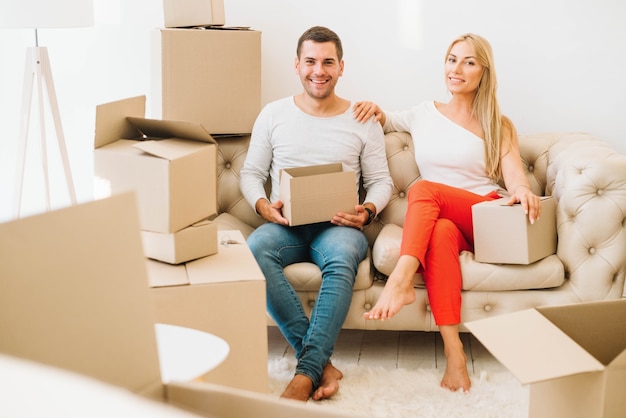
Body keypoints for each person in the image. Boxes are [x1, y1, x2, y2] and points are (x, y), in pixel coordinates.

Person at [353, 33, 541, 393]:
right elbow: (386, 118)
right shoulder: (423, 113)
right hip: (442, 220)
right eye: (452, 59)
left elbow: (515, 173)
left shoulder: (497, 124)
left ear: (483, 72)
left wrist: (522, 190)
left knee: (424, 189)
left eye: (469, 62)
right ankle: (455, 356)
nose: (457, 68)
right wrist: (372, 109)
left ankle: (400, 280)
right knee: (437, 233)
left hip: (484, 215)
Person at [240, 26, 393, 402]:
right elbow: (251, 174)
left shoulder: (362, 119)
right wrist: (263, 206)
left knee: (342, 258)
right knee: (255, 249)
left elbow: (381, 182)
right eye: (310, 61)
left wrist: (368, 211)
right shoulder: (274, 114)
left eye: (327, 62)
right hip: (286, 226)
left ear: (341, 67)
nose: (318, 71)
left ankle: (304, 374)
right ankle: (319, 366)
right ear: (297, 65)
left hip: (338, 227)